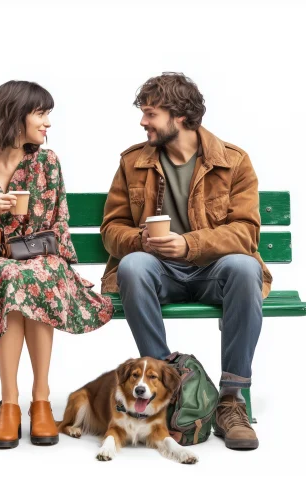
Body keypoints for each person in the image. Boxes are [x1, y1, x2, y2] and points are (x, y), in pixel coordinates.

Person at [100, 72, 273, 450]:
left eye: (150, 114)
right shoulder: (133, 162)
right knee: (132, 265)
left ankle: (231, 400)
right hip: (158, 271)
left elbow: (246, 232)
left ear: (180, 116)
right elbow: (111, 228)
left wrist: (189, 245)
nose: (143, 122)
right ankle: (170, 388)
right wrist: (138, 240)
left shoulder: (233, 161)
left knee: (246, 267)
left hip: (213, 270)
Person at [0, 80, 113, 449]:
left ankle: (38, 400)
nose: (48, 122)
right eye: (41, 113)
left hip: (42, 264)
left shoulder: (46, 162)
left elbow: (59, 223)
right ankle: (10, 405)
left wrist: (61, 266)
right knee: (9, 275)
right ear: (14, 115)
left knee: (30, 275)